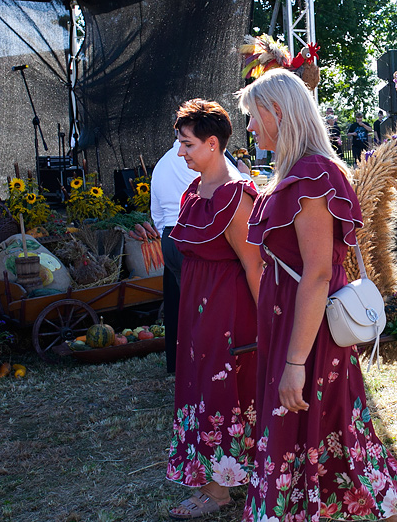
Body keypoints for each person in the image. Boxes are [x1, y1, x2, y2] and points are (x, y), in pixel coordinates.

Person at [239, 69, 397, 522]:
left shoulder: (312, 175)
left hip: (309, 333)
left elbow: (317, 274)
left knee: (330, 425)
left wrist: (294, 362)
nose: (251, 127)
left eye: (254, 117)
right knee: (333, 426)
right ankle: (389, 501)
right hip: (298, 326)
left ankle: (387, 502)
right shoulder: (300, 172)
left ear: (278, 112)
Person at [165, 100, 265, 519]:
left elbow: (255, 266)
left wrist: (271, 328)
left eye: (187, 144)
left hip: (229, 315)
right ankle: (220, 479)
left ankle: (219, 491)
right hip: (197, 312)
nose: (180, 152)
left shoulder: (235, 199)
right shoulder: (194, 191)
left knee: (224, 395)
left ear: (212, 143)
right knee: (200, 391)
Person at [150, 137, 251, 374]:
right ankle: (209, 363)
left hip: (170, 237)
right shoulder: (209, 164)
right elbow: (234, 199)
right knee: (207, 307)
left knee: (186, 306)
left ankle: (186, 362)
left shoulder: (162, 163)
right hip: (196, 239)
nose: (184, 154)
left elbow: (155, 212)